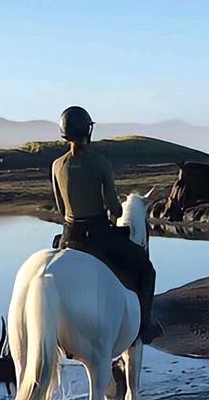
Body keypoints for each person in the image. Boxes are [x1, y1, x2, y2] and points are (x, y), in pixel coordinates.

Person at [52, 105, 160, 343]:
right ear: (86, 131)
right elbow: (114, 207)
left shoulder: (57, 165)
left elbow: (61, 209)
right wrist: (118, 209)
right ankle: (145, 325)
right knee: (146, 269)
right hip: (99, 237)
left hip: (70, 237)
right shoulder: (99, 161)